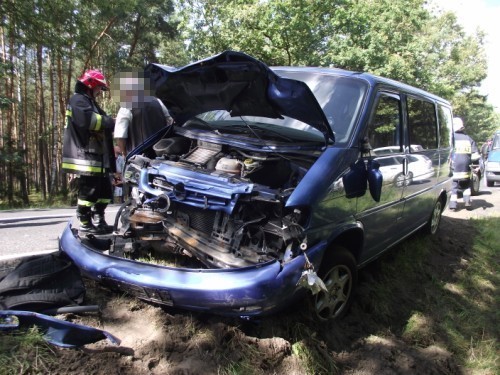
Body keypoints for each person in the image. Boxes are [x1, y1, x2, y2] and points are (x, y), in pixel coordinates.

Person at [62, 69, 115, 234]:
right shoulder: (78, 100)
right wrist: (110, 121)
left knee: (105, 191)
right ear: (90, 85)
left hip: (97, 156)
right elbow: (90, 121)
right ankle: (85, 221)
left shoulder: (89, 102)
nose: (100, 92)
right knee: (89, 191)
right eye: (99, 88)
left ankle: (99, 220)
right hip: (85, 155)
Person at [112, 70, 173, 156]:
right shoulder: (158, 102)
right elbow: (170, 122)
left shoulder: (126, 106)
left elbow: (121, 135)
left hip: (137, 159)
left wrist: (123, 153)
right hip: (160, 154)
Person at [449, 117, 480, 210]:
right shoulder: (468, 139)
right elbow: (475, 155)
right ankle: (467, 201)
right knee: (466, 185)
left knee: (453, 186)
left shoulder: (450, 138)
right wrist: (476, 166)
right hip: (465, 168)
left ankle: (453, 205)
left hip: (454, 166)